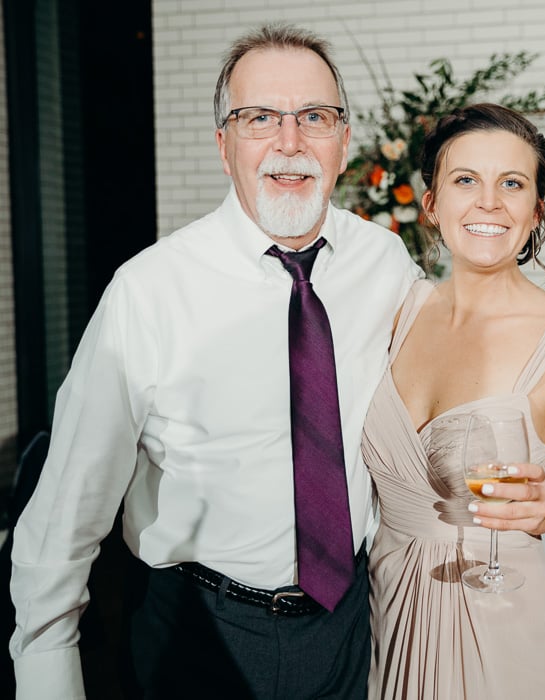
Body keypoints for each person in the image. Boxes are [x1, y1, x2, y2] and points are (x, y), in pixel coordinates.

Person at [9, 24, 421, 699]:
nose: (290, 142)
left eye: (314, 117)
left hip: (348, 625)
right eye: (259, 118)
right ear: (223, 144)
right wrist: (48, 672)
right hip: (201, 632)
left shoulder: (386, 265)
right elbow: (67, 512)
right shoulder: (149, 292)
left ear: (344, 141)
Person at [360, 103, 545, 699]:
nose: (489, 203)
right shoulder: (399, 312)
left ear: (536, 210)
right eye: (465, 180)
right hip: (385, 608)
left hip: (495, 618)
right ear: (431, 204)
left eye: (512, 184)